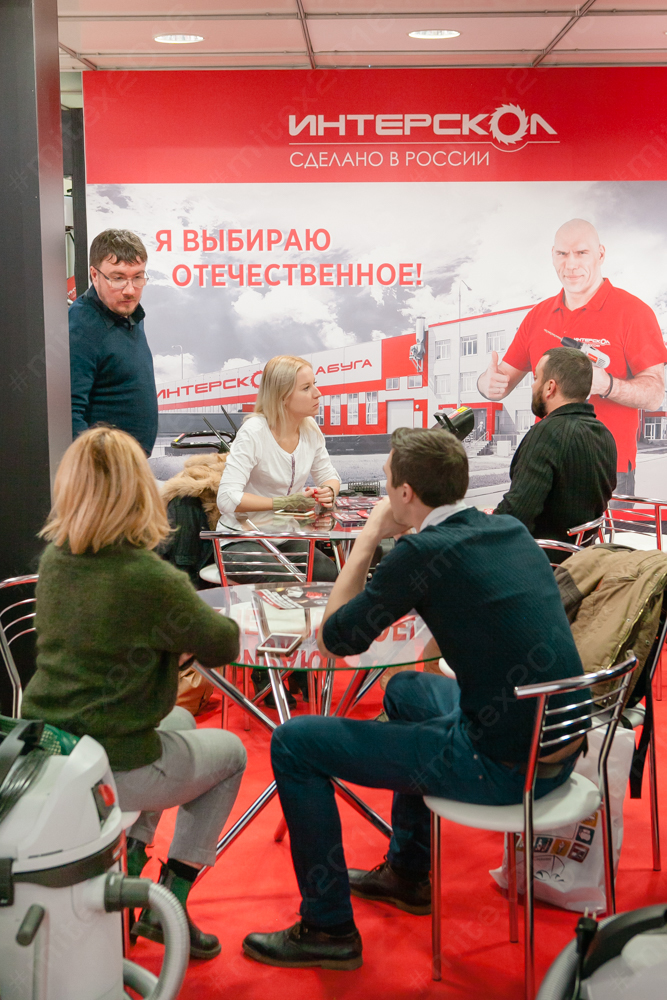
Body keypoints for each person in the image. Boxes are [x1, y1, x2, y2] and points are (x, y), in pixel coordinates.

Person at [242, 428, 589, 971]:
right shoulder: (509, 530)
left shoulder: (422, 550)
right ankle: (407, 873)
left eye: (387, 482)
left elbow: (335, 639)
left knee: (292, 743)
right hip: (559, 746)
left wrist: (368, 537)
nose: (384, 491)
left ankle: (327, 928)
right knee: (404, 689)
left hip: (503, 768)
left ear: (404, 493)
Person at [21, 426, 246, 960]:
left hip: (51, 749)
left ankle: (133, 873)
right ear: (139, 490)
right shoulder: (149, 578)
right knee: (233, 755)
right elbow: (223, 643)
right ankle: (171, 903)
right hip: (113, 764)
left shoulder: (55, 560)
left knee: (182, 724)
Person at [477, 219, 667, 495]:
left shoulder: (633, 312)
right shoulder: (537, 316)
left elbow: (655, 395)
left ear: (600, 254)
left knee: (605, 528)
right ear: (553, 255)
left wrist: (606, 385)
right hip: (544, 465)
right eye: (562, 254)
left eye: (581, 253)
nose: (571, 264)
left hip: (606, 467)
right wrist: (486, 383)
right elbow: (500, 380)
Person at [217, 354, 341, 703]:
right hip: (239, 542)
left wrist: (328, 493)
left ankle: (300, 666)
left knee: (330, 576)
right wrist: (282, 503)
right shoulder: (254, 432)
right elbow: (227, 499)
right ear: (283, 396)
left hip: (284, 539)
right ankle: (267, 671)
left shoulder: (311, 430)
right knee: (288, 582)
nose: (318, 393)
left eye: (315, 385)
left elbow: (330, 476)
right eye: (307, 387)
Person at [493, 346, 616, 551]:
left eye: (535, 378)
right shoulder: (604, 434)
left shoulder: (547, 433)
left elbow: (516, 516)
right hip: (581, 557)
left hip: (541, 559)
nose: (533, 385)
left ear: (550, 387)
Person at [69, 229, 158, 456]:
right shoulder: (80, 327)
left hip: (131, 466)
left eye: (138, 277)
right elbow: (68, 414)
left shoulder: (129, 313)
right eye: (118, 278)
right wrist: (99, 467)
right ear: (94, 275)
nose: (130, 290)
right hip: (105, 469)